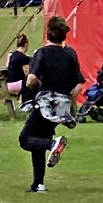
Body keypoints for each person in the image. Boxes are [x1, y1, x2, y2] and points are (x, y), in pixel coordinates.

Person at [18, 16, 84, 193]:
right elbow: (79, 82)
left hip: (46, 103)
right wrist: (69, 100)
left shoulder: (42, 53)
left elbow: (32, 78)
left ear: (47, 34)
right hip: (62, 106)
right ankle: (38, 184)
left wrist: (28, 85)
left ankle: (52, 145)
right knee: (38, 139)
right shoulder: (69, 55)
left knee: (25, 139)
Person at [5, 33, 31, 102]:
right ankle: (28, 103)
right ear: (25, 44)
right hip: (16, 84)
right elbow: (27, 74)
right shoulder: (23, 57)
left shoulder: (13, 55)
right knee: (33, 82)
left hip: (8, 84)